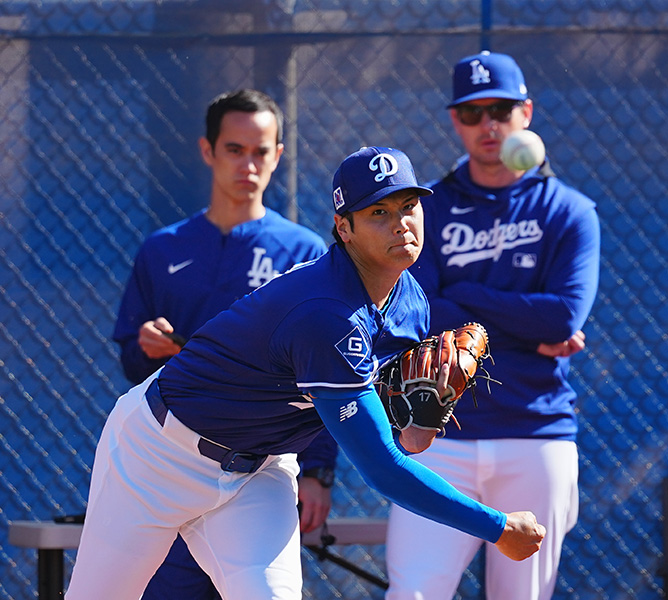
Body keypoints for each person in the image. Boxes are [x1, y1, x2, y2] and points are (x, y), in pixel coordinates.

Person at [67, 145, 546, 600]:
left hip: (259, 470)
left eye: (408, 206)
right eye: (378, 212)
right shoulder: (325, 313)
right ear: (344, 228)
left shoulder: (411, 303)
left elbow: (405, 440)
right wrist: (497, 528)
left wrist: (418, 418)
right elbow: (386, 470)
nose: (400, 223)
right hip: (156, 455)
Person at [385, 51, 601, 600]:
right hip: (437, 434)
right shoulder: (425, 209)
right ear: (456, 120)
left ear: (525, 112)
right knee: (412, 593)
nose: (488, 125)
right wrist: (525, 321)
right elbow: (421, 311)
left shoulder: (569, 211)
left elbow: (563, 315)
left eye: (500, 109)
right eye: (473, 112)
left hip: (535, 433)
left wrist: (464, 294)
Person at [111, 88, 336, 599]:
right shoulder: (163, 249)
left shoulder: (305, 253)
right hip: (168, 461)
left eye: (261, 151)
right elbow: (130, 358)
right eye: (234, 149)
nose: (248, 164)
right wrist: (145, 346)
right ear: (208, 151)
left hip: (262, 465)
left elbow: (330, 373)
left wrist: (320, 472)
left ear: (278, 155)